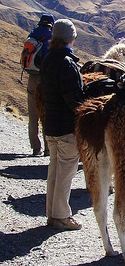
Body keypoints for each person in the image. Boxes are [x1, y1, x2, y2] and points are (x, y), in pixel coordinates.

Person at [40, 19, 83, 230]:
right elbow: (73, 98)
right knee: (66, 173)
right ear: (70, 38)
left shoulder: (48, 59)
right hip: (66, 127)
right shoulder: (67, 63)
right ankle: (62, 217)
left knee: (55, 171)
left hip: (51, 125)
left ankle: (52, 213)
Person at [26, 13, 54, 156]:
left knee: (33, 115)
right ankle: (48, 148)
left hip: (31, 77)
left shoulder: (33, 34)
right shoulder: (50, 37)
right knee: (46, 113)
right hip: (45, 80)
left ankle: (36, 148)